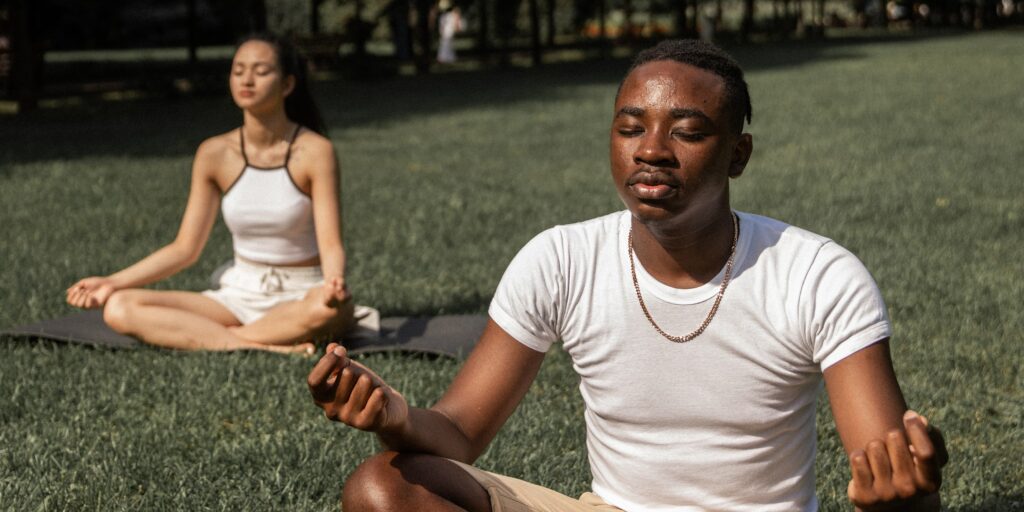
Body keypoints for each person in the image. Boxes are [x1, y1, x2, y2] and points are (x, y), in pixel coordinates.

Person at [307, 39, 948, 510]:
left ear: (738, 155)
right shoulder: (561, 259)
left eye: (688, 131)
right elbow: (459, 433)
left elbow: (885, 463)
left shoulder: (816, 275)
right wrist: (395, 415)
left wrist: (901, 491)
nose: (651, 149)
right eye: (630, 127)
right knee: (381, 488)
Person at [66, 33, 356, 355]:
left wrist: (333, 283)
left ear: (287, 85)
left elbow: (330, 242)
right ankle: (259, 344)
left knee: (328, 311)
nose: (246, 79)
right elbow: (184, 249)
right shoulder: (214, 153)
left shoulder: (316, 151)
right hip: (238, 294)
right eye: (238, 70)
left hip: (302, 294)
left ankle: (220, 339)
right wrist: (112, 282)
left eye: (261, 72)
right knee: (119, 306)